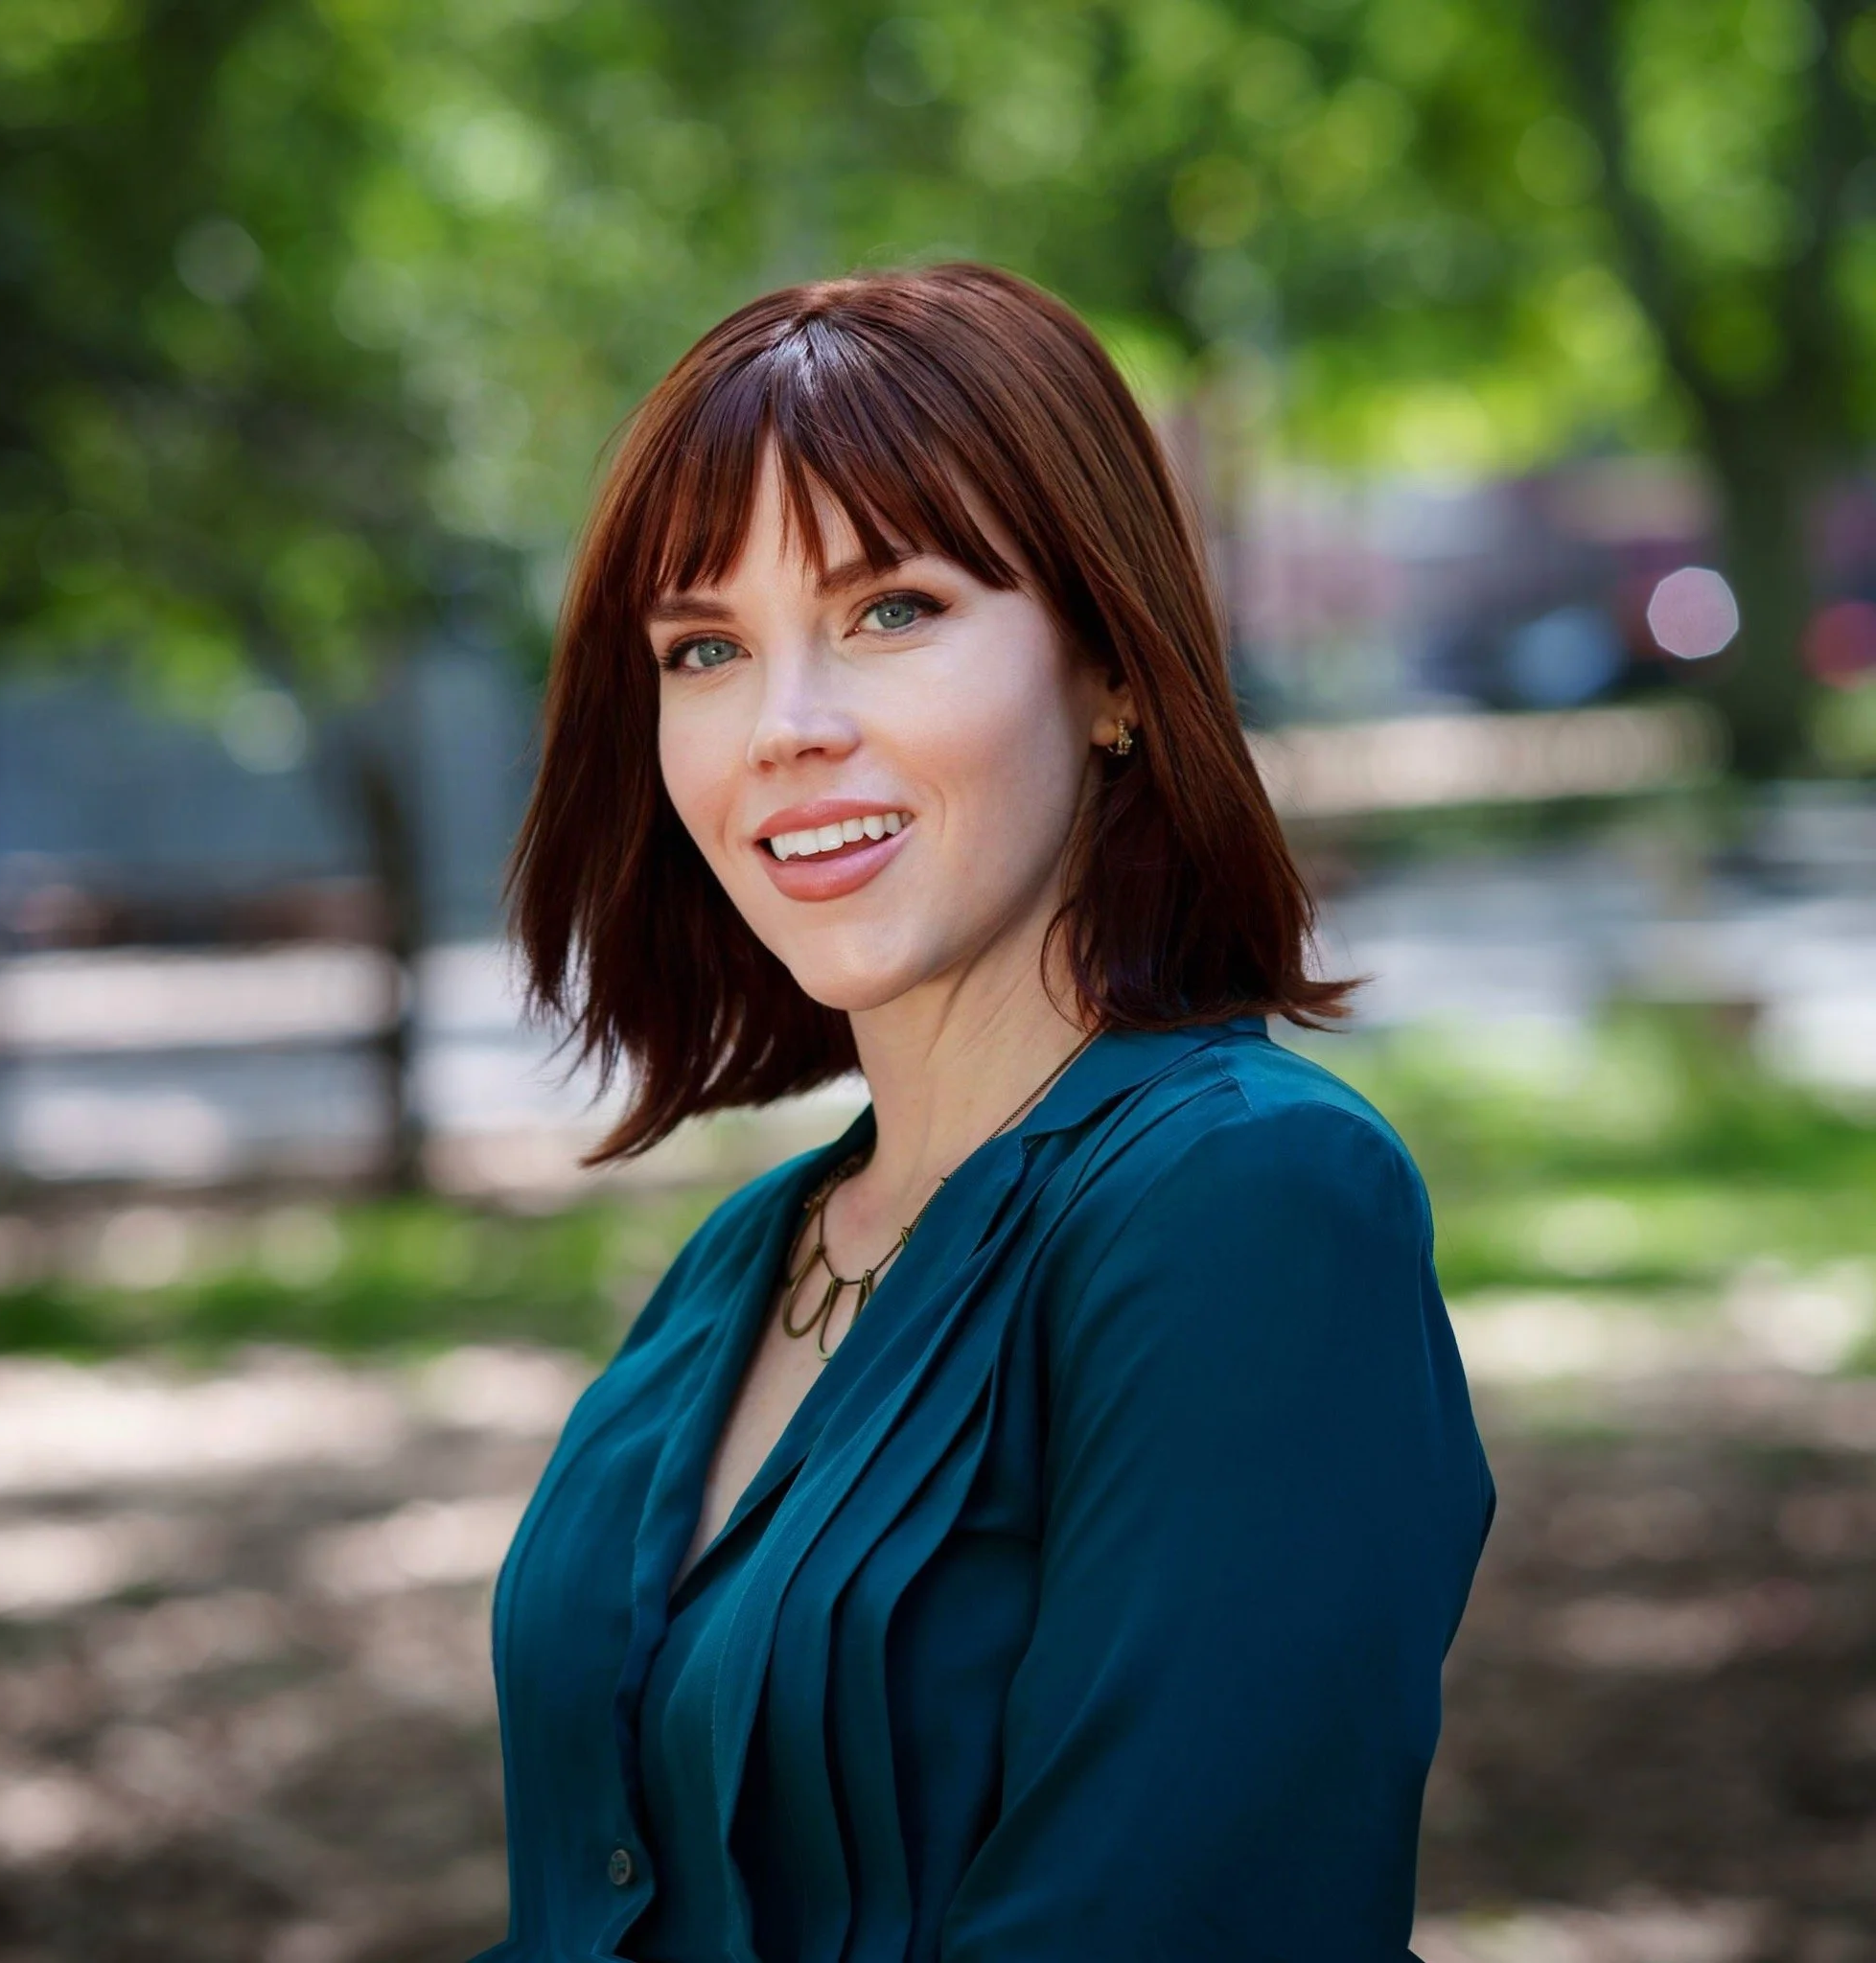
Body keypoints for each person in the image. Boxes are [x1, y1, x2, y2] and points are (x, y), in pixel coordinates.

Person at [475, 262, 1495, 1963]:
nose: (786, 730)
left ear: (1113, 670)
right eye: (709, 647)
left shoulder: (1252, 1204)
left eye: (893, 610)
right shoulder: (751, 1255)